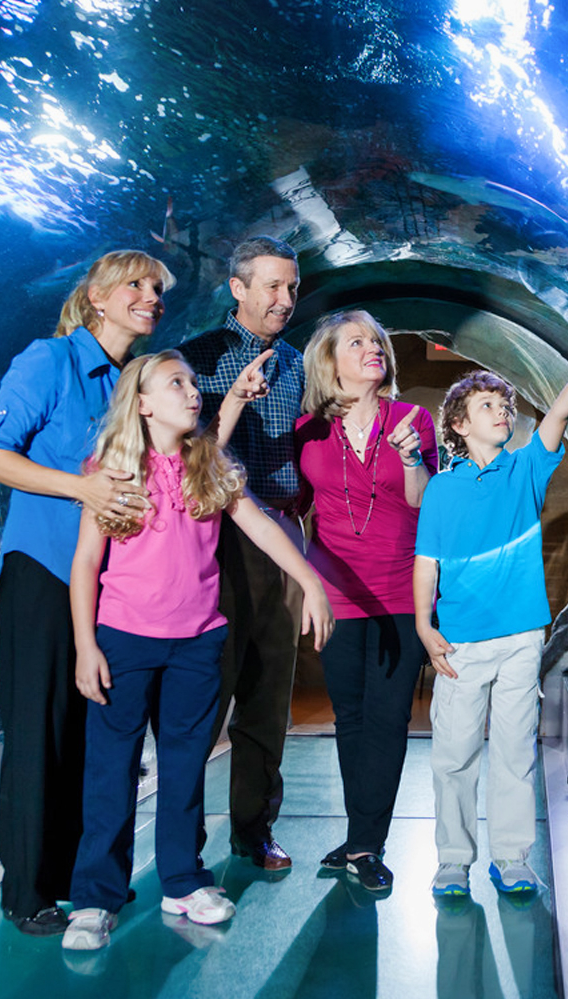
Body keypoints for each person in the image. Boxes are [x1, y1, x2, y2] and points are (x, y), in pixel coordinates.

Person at [62, 351, 333, 952]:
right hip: (124, 640)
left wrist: (310, 580)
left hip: (197, 642)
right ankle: (96, 897)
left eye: (192, 382)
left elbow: (259, 524)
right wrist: (85, 644)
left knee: (185, 765)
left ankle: (183, 880)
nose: (192, 392)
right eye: (176, 383)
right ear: (141, 403)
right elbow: (85, 562)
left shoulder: (209, 463)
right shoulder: (111, 471)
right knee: (110, 769)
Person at [0, 250, 171, 935]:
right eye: (136, 284)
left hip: (110, 582)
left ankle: (80, 878)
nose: (151, 296)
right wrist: (82, 487)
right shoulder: (48, 361)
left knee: (94, 734)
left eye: (156, 288)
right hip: (44, 570)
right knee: (39, 732)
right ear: (96, 298)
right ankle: (27, 890)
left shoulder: (134, 381)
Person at [415, 317, 568, 898]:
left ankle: (511, 858)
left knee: (515, 751)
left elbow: (558, 411)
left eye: (506, 405)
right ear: (459, 425)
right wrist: (423, 625)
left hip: (520, 639)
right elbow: (426, 563)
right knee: (455, 755)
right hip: (460, 640)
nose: (502, 412)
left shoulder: (526, 469)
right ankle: (453, 862)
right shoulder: (441, 488)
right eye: (487, 405)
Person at [295, 310, 438, 892]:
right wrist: (302, 585)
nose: (372, 348)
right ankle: (360, 836)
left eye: (377, 341)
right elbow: (290, 509)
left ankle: (366, 844)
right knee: (350, 718)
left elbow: (423, 502)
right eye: (356, 342)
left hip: (400, 592)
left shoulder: (413, 419)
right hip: (335, 595)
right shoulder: (308, 429)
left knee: (388, 718)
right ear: (330, 362)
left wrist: (411, 458)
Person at [178, 236, 308, 870]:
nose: (286, 299)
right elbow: (180, 454)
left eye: (292, 287)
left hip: (281, 530)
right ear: (238, 287)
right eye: (273, 286)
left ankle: (254, 829)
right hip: (218, 538)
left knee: (268, 692)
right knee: (208, 691)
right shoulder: (196, 358)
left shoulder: (298, 364)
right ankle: (181, 842)